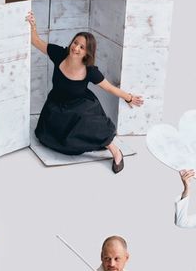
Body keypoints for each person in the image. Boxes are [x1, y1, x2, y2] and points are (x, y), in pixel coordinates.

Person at [26, 12, 143, 172]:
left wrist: (129, 98)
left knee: (90, 124)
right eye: (75, 43)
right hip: (56, 105)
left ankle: (115, 151)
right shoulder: (59, 53)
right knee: (52, 140)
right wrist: (33, 25)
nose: (76, 48)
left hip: (81, 105)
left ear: (87, 52)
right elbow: (35, 41)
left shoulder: (90, 71)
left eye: (82, 47)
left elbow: (109, 87)